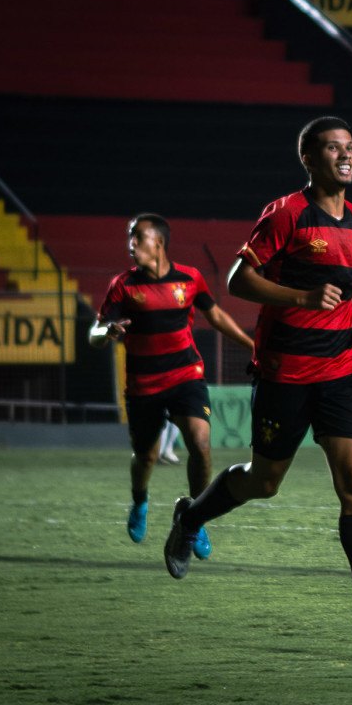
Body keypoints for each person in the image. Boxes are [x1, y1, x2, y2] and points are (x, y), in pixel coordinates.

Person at [162, 116, 352, 643]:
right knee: (264, 481)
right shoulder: (286, 213)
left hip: (343, 368)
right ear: (309, 159)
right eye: (333, 148)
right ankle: (190, 517)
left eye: (351, 148)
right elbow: (237, 280)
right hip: (286, 372)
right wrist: (301, 299)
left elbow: (340, 287)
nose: (346, 156)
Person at [90, 213, 254, 552]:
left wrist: (253, 346)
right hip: (143, 384)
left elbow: (216, 315)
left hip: (185, 374)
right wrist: (106, 332)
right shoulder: (123, 285)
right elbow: (94, 334)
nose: (131, 244)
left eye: (138, 237)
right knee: (146, 457)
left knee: (201, 445)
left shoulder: (190, 278)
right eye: (129, 237)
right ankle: (139, 501)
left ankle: (196, 519)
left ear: (159, 243)